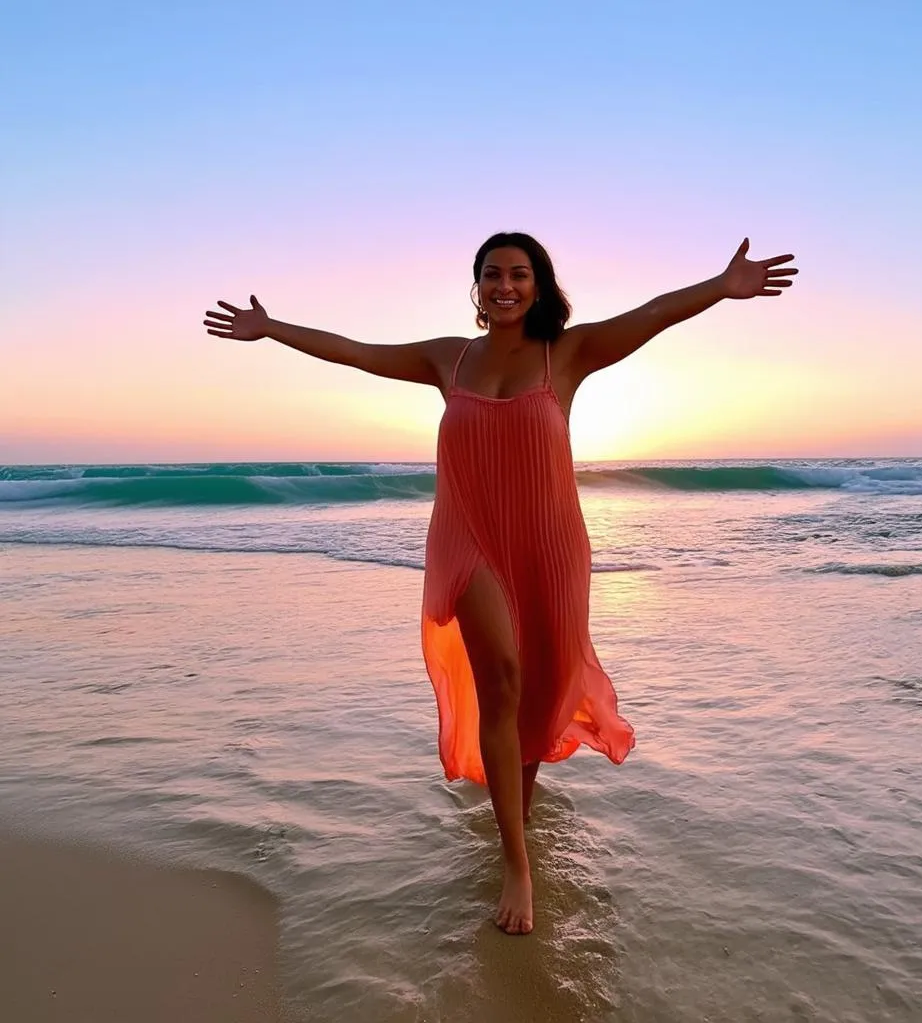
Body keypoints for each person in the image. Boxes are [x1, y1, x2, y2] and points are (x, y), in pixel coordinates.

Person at [204, 232, 798, 935]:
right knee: (505, 678)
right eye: (492, 275)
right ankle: (516, 866)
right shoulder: (447, 357)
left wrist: (719, 285)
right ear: (477, 287)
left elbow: (654, 312)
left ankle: (515, 811)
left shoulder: (567, 354)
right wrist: (272, 329)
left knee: (543, 692)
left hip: (549, 544)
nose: (504, 286)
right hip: (468, 536)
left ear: (539, 285)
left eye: (518, 274)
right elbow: (358, 352)